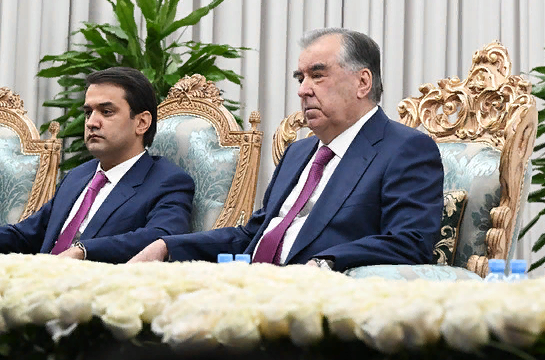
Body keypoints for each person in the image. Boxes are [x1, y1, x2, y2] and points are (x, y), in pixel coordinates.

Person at [130, 28, 444, 270]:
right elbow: (252, 235)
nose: (303, 90)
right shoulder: (298, 153)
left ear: (363, 82)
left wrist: (325, 264)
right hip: (251, 286)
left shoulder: (405, 149)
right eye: (300, 78)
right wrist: (167, 246)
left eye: (317, 76)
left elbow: (409, 242)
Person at [0, 67, 195, 263]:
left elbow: (162, 237)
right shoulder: (78, 175)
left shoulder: (168, 181)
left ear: (142, 122)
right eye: (88, 112)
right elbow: (26, 235)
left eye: (106, 112)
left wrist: (83, 251)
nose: (91, 122)